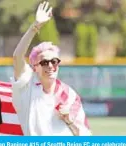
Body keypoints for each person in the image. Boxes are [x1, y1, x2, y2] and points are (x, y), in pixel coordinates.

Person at [11, 1, 92, 136]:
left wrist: (70, 121)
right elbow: (17, 57)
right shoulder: (26, 86)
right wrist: (35, 26)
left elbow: (85, 137)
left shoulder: (69, 95)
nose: (50, 66)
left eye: (54, 61)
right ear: (35, 67)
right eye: (44, 62)